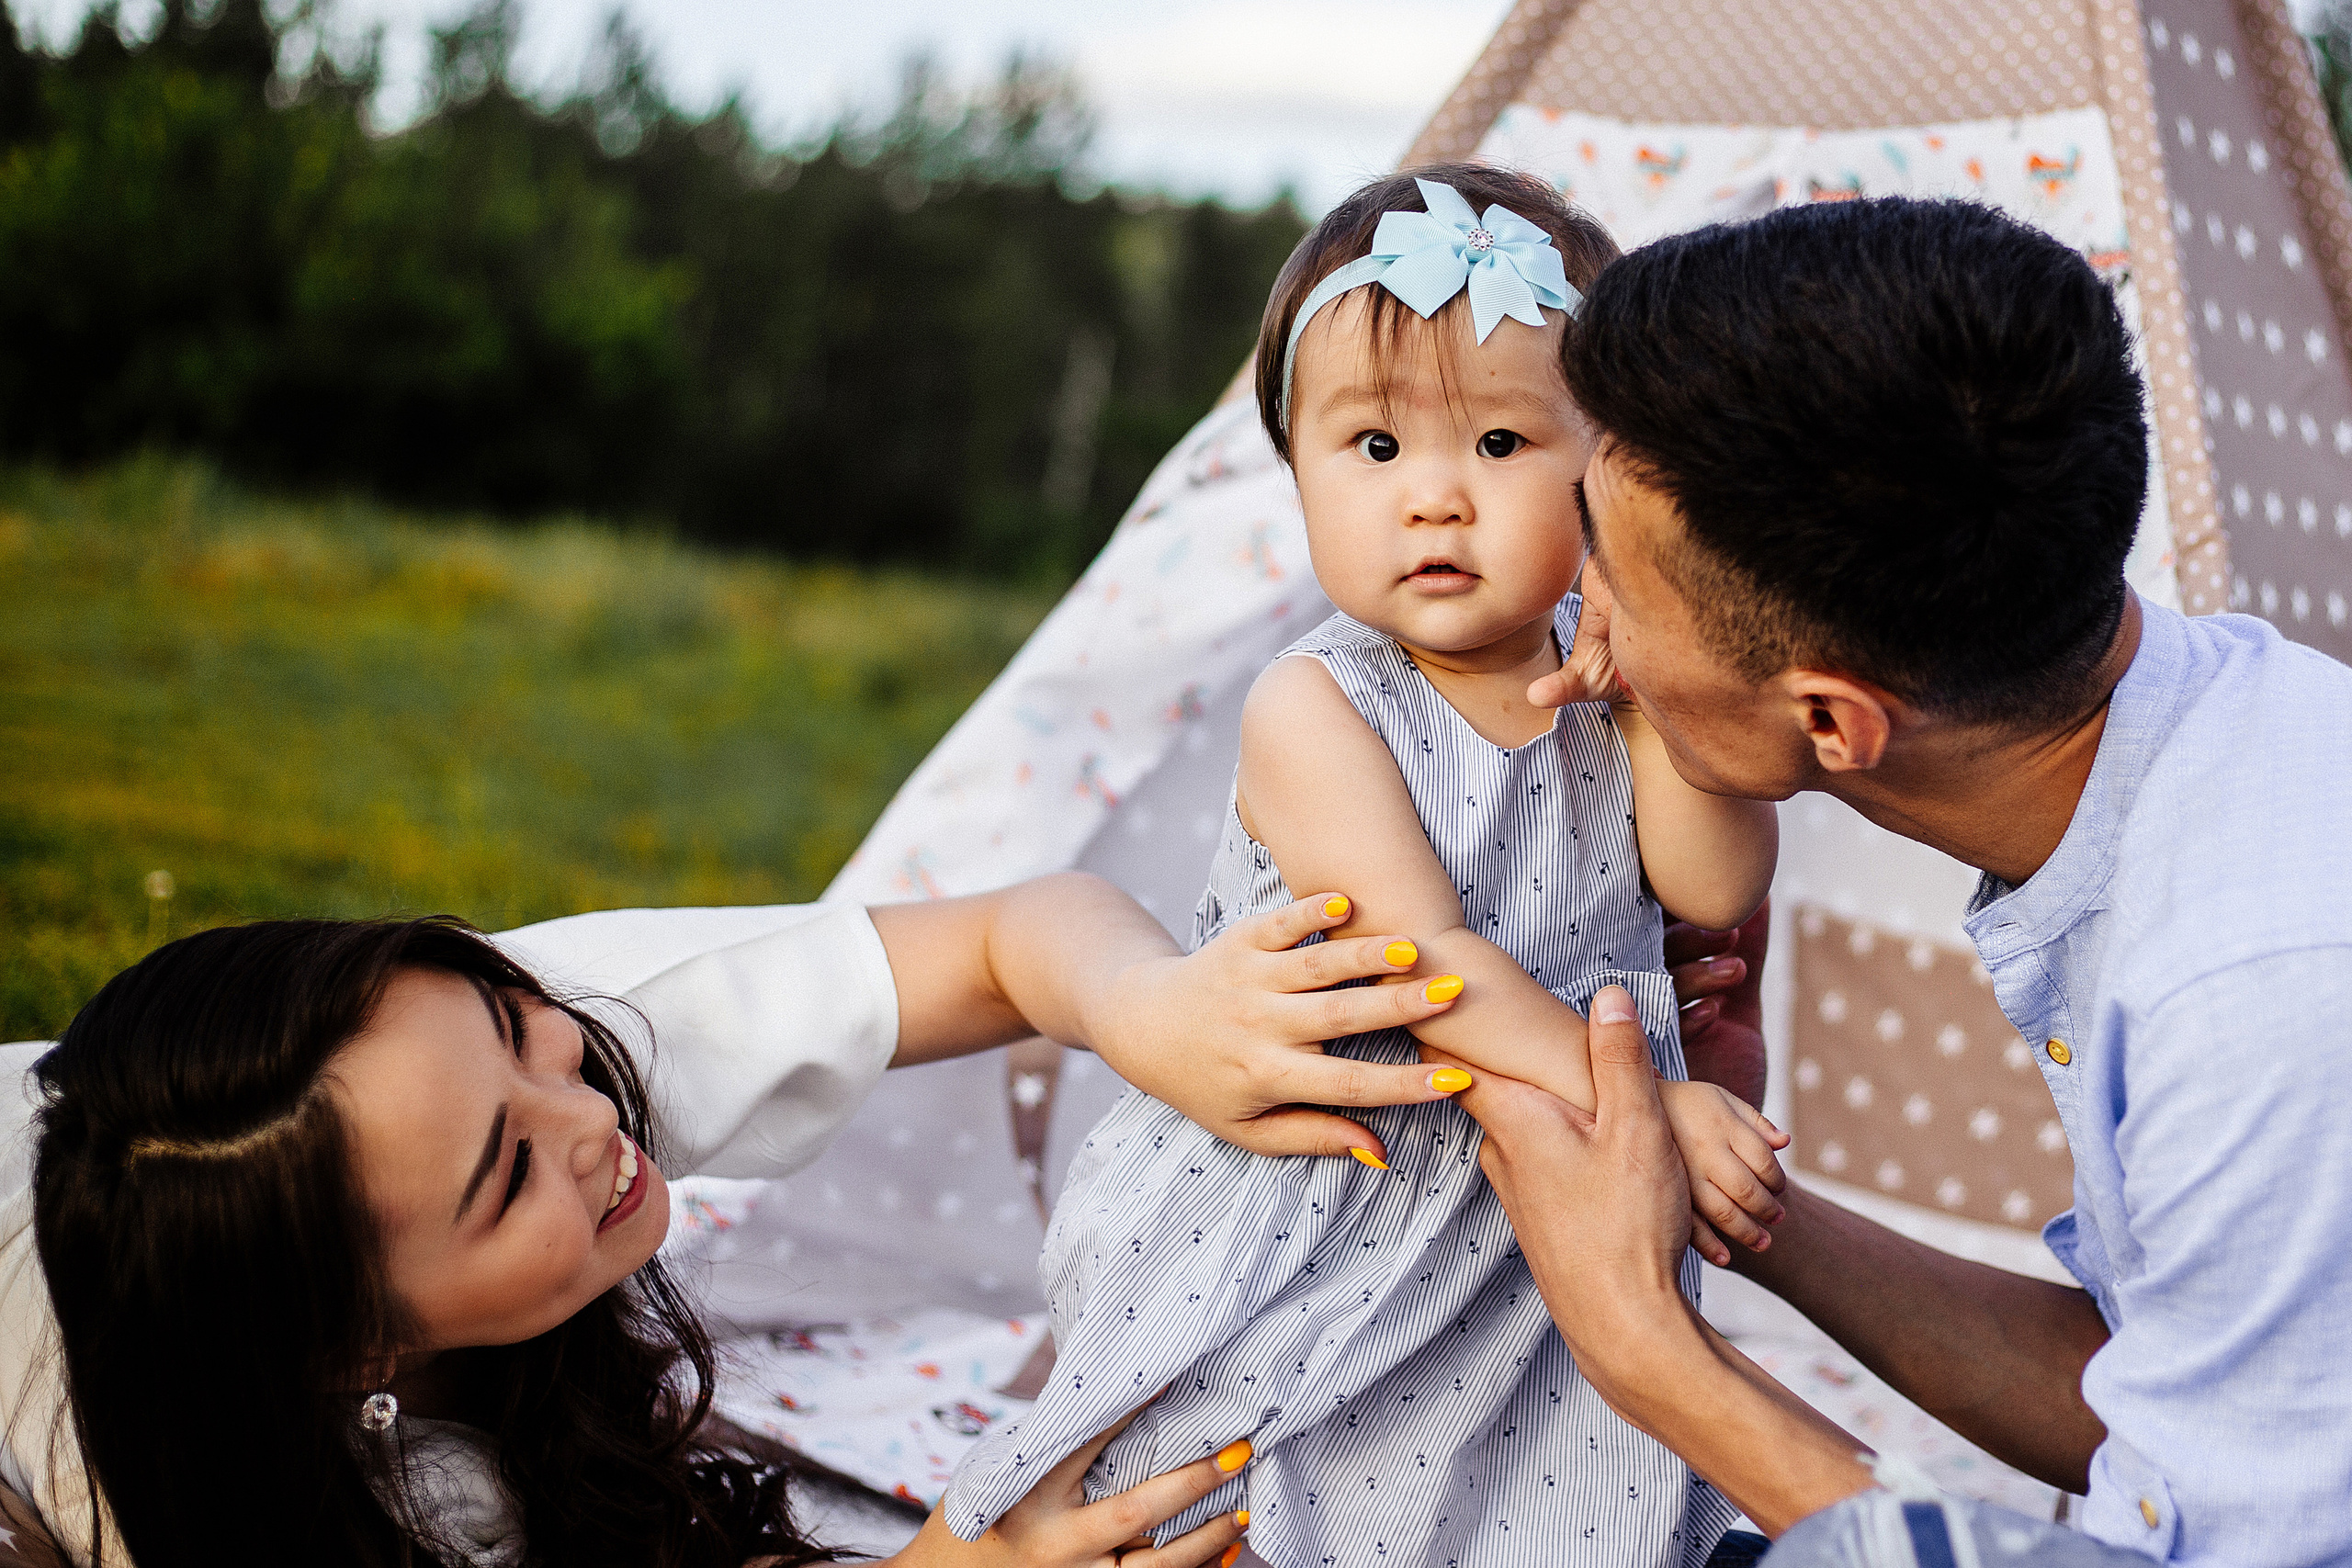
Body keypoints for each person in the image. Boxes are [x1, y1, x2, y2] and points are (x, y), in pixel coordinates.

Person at [1452, 196, 2352, 1565]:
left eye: (1620, 587)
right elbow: (2187, 1408)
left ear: (1831, 721)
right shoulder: (2239, 729)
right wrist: (1740, 1203)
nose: (1584, 617)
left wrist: (1649, 1351)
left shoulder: (2258, 993)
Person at [944, 166, 1788, 1568]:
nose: (1436, 502)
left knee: (1549, 1482)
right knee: (1261, 1486)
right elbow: (1427, 967)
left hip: (1539, 1200)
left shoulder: (1608, 674)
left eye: (1505, 443)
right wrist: (1652, 1109)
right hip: (1341, 1180)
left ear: (1612, 470)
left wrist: (1659, 689)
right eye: (1375, 451)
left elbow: (1709, 888)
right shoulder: (1319, 706)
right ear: (1298, 471)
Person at [0, 875, 1470, 1568]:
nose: (592, 1123)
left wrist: (1155, 1011)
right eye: (506, 1179)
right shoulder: (185, 1500)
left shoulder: (445, 1055)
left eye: (528, 1030)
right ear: (351, 1350)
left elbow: (1013, 935)